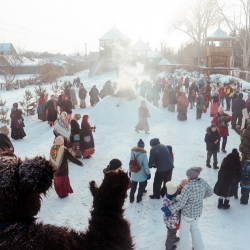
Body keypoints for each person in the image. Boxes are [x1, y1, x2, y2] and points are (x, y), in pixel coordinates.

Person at [167, 167, 213, 250]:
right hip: (197, 213)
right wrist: (200, 197)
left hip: (187, 214)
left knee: (184, 233)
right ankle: (199, 248)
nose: (187, 177)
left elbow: (181, 204)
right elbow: (211, 192)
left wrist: (169, 208)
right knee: (195, 230)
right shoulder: (202, 182)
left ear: (190, 176)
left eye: (187, 175)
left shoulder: (187, 188)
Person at [129, 139, 151, 203]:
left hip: (134, 172)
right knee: (141, 187)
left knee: (133, 186)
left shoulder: (132, 152)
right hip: (141, 174)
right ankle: (139, 199)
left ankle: (131, 198)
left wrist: (130, 171)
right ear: (143, 146)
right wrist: (148, 173)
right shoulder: (144, 154)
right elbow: (146, 165)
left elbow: (131, 163)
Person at [161, 181, 180, 250]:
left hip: (167, 220)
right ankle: (168, 247)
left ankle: (174, 238)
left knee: (171, 231)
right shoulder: (173, 203)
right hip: (172, 222)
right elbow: (175, 215)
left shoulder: (166, 197)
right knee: (171, 234)